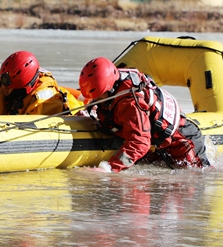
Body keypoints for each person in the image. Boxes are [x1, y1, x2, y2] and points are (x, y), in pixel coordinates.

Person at [78, 57, 209, 173]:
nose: (97, 100)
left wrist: (110, 168)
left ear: (110, 88)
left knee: (196, 176)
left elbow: (140, 141)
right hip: (156, 145)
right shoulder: (113, 89)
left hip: (183, 141)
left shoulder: (130, 103)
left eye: (99, 96)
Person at [0, 51, 83, 116]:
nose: (5, 90)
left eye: (11, 88)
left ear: (26, 87)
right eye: (4, 85)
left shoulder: (46, 99)